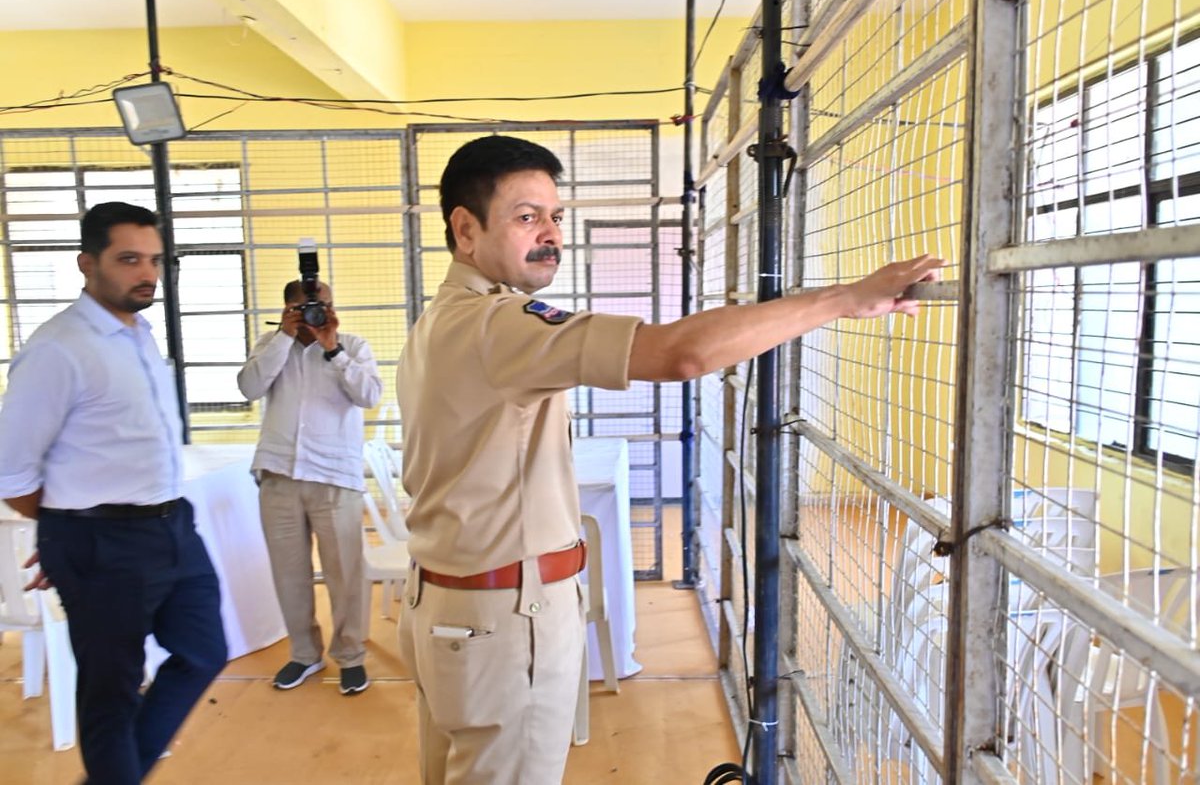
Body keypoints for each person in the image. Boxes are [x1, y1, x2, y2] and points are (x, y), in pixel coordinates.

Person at [395, 135, 944, 784]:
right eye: (525, 216)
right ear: (465, 229)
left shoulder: (440, 320)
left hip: (448, 609)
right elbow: (679, 354)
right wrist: (844, 299)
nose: (550, 232)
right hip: (506, 622)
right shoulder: (496, 324)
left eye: (555, 214)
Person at [0, 201, 228, 784]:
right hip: (100, 542)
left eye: (153, 260)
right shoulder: (59, 348)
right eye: (128, 259)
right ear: (86, 263)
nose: (145, 272)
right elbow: (10, 468)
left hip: (173, 526)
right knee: (113, 695)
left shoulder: (139, 334)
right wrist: (66, 535)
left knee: (204, 652)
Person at [237, 278, 383, 695]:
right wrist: (284, 336)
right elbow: (249, 387)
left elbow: (369, 395)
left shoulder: (352, 346)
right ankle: (304, 654)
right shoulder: (270, 344)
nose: (315, 314)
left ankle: (351, 656)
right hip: (278, 475)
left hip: (335, 477)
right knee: (289, 574)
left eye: (324, 305)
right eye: (304, 309)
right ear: (286, 309)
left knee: (346, 574)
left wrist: (331, 348)